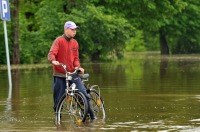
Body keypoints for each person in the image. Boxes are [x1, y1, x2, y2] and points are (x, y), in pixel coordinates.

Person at [48, 21, 96, 120]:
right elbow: (51, 53)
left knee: (84, 95)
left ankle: (93, 117)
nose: (74, 32)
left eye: (75, 30)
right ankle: (58, 120)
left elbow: (76, 59)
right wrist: (53, 61)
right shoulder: (59, 41)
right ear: (66, 29)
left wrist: (78, 67)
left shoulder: (75, 43)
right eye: (72, 29)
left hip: (73, 74)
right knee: (58, 100)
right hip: (60, 75)